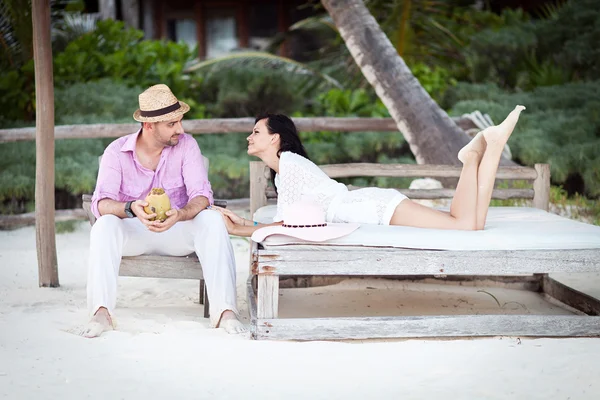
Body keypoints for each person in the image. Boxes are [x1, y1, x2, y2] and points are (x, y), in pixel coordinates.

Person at [78, 84, 246, 338]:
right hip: (134, 231)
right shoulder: (116, 152)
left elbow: (202, 195)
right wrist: (130, 208)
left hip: (176, 231)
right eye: (171, 124)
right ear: (149, 126)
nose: (180, 129)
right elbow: (100, 203)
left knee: (212, 220)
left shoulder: (187, 146)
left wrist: (180, 214)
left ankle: (225, 312)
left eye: (179, 121)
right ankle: (100, 313)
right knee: (103, 225)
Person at [213, 106, 526, 236]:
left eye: (256, 132)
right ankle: (492, 148)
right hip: (365, 206)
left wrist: (240, 230)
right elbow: (285, 221)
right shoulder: (285, 171)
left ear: (274, 138)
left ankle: (471, 158)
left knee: (465, 227)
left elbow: (285, 226)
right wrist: (246, 222)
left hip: (368, 209)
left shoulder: (291, 165)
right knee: (474, 224)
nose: (249, 137)